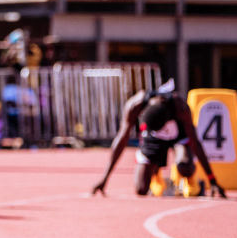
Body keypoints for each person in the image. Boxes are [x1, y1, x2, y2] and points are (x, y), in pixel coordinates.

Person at [91, 82, 227, 198]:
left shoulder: (180, 107)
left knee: (184, 166)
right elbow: (121, 139)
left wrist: (212, 180)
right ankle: (156, 174)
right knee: (141, 189)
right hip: (153, 139)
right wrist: (105, 178)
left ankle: (193, 180)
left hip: (177, 136)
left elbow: (195, 142)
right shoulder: (135, 105)